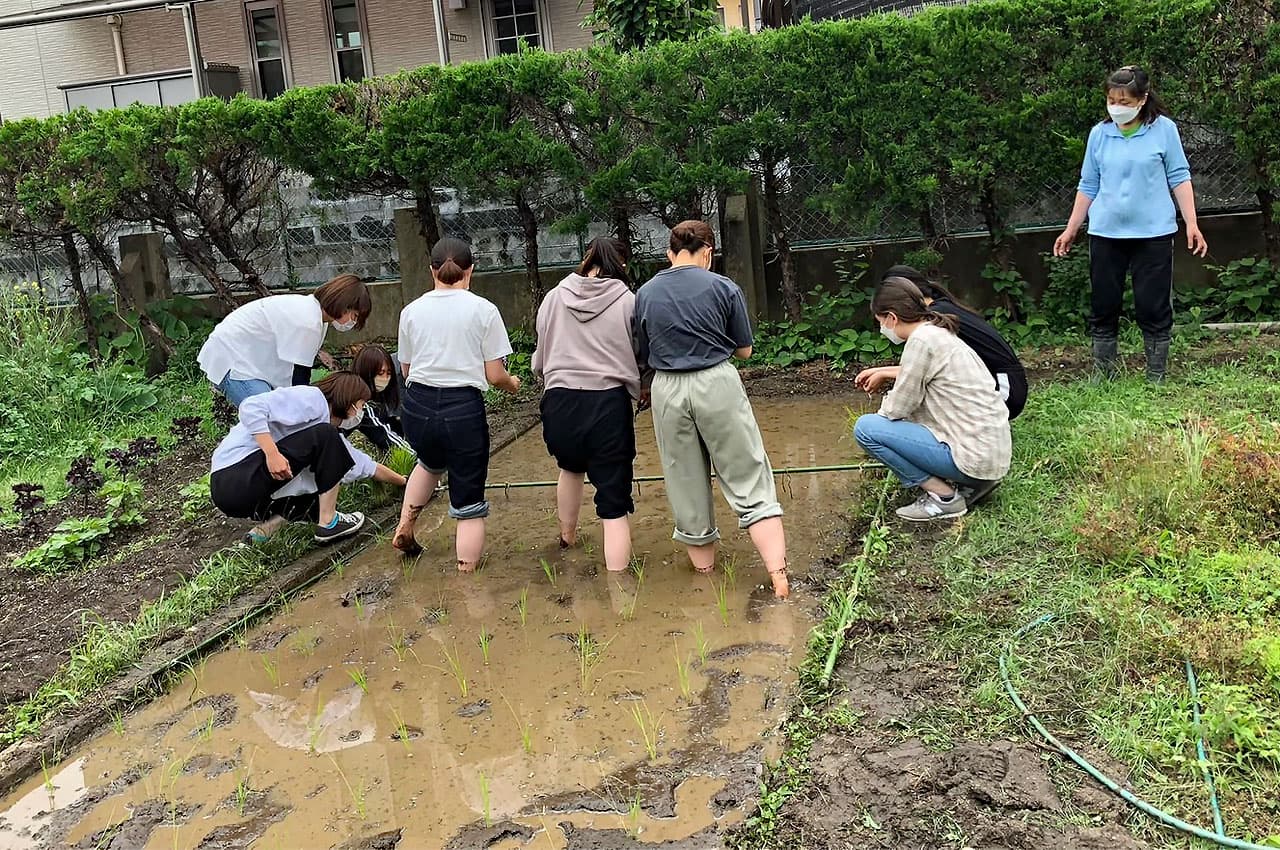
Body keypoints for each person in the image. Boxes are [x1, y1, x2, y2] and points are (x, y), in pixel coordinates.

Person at [633, 220, 789, 599]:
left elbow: (642, 352)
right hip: (716, 381)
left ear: (670, 253)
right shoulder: (723, 287)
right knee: (747, 472)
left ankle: (705, 576)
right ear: (708, 251)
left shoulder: (646, 293)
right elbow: (744, 350)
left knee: (684, 481)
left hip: (667, 389)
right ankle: (779, 576)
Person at [1053, 65, 1208, 382]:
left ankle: (1156, 373)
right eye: (1111, 100)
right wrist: (1071, 228)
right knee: (1104, 303)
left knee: (1153, 306)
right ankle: (1104, 372)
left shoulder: (1164, 130)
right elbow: (1088, 184)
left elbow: (1179, 176)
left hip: (1154, 234)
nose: (1117, 107)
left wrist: (1191, 222)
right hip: (1106, 233)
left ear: (1142, 99)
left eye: (1124, 101)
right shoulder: (1099, 134)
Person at [395, 238, 522, 572]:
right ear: (471, 271)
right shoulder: (483, 310)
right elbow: (495, 375)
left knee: (429, 463)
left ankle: (405, 526)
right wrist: (512, 384)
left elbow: (406, 370)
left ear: (432, 271)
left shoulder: (411, 311)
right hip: (461, 408)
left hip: (417, 405)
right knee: (467, 494)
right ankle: (466, 574)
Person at [853, 278, 1011, 522]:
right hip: (991, 454)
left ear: (892, 318)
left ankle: (944, 498)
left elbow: (897, 408)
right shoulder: (937, 332)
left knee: (866, 429)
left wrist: (884, 424)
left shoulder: (921, 341)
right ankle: (975, 482)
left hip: (973, 455)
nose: (882, 329)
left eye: (881, 323)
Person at [532, 236, 642, 573]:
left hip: (559, 401)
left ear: (586, 259)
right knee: (613, 500)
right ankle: (618, 583)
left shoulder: (553, 298)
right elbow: (640, 353)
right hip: (608, 403)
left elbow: (540, 356)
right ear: (620, 265)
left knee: (569, 466)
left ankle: (567, 538)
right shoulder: (628, 301)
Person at [210, 371, 407, 544]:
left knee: (316, 496)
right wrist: (272, 454)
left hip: (238, 496)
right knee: (326, 436)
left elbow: (365, 466)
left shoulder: (329, 439)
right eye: (361, 405)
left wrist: (406, 483)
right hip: (232, 476)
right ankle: (329, 522)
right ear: (348, 399)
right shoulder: (312, 399)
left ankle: (262, 533)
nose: (361, 413)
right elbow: (250, 407)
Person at [860, 265, 1027, 419]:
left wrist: (883, 373)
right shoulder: (941, 307)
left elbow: (926, 371)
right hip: (1007, 383)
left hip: (1007, 390)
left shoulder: (934, 320)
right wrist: (881, 371)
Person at [198, 274, 373, 408]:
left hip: (248, 362)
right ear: (342, 304)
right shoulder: (309, 321)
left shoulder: (314, 315)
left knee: (273, 419)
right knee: (268, 417)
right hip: (233, 363)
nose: (353, 322)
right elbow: (300, 378)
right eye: (354, 316)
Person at [351, 345, 413, 454]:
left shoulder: (384, 395)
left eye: (388, 373)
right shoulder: (359, 403)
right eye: (380, 373)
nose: (385, 379)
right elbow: (384, 436)